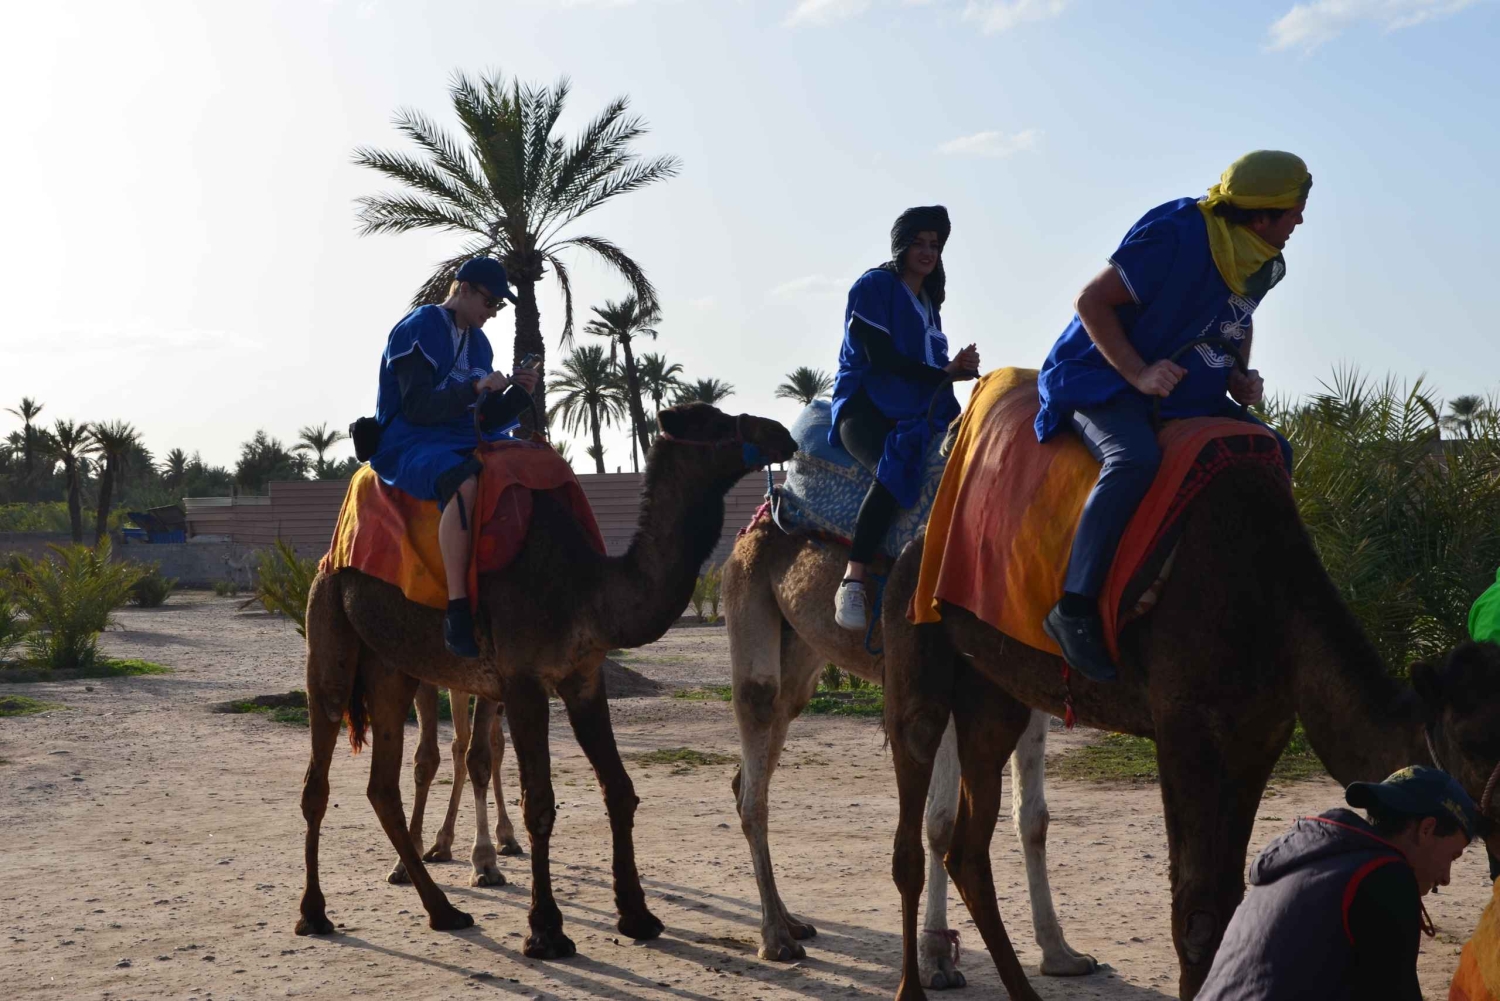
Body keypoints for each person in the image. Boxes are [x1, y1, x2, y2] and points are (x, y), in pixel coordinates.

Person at [1035, 150, 1308, 681]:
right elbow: (1091, 301)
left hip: (1185, 390)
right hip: (1104, 380)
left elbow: (1236, 317)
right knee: (1133, 459)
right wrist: (1137, 374)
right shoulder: (1177, 234)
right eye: (1293, 209)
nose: (1300, 219)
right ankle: (1072, 609)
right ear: (1260, 215)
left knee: (1276, 450)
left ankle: (1253, 592)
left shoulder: (1256, 252)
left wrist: (1238, 374)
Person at [369, 257, 540, 658]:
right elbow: (416, 407)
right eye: (490, 301)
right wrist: (476, 386)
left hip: (461, 436)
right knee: (464, 483)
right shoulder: (420, 327)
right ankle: (458, 609)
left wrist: (519, 392)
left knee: (530, 465)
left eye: (498, 305)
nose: (492, 311)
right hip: (411, 441)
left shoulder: (480, 342)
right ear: (462, 289)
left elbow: (486, 417)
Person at [1197, 766, 1483, 1001]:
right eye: (1453, 856)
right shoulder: (1385, 876)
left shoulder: (1306, 859)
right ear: (1427, 829)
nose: (1446, 877)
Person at [827, 205, 980, 630]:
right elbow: (882, 358)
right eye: (919, 242)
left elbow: (928, 368)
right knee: (892, 472)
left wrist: (957, 369)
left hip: (915, 411)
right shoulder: (874, 286)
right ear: (901, 245)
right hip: (865, 406)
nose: (928, 251)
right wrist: (944, 373)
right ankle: (853, 580)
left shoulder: (929, 304)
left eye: (935, 244)